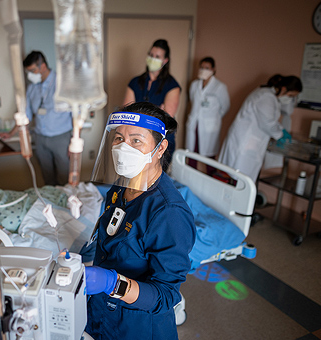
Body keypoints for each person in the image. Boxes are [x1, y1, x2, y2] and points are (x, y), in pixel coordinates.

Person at [84, 102, 196, 339]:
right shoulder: (120, 188)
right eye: (118, 139)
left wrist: (112, 283)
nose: (123, 147)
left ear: (160, 147)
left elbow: (165, 295)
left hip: (138, 327)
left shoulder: (169, 213)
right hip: (103, 315)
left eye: (136, 140)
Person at [0, 51, 73, 186]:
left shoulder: (62, 84)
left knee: (64, 178)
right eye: (28, 72)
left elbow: (76, 115)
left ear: (42, 66)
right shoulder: (32, 88)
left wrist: (73, 141)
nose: (30, 75)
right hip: (40, 138)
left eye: (32, 71)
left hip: (61, 138)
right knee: (47, 177)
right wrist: (10, 133)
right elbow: (25, 115)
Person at [218, 74, 302, 182]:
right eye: (291, 95)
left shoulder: (269, 96)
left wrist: (281, 130)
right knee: (238, 175)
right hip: (244, 141)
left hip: (250, 141)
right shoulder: (266, 97)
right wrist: (280, 134)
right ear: (284, 89)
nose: (290, 99)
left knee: (240, 177)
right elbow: (267, 123)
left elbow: (270, 120)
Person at [123, 39, 181, 168]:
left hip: (160, 143)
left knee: (154, 180)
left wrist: (139, 113)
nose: (152, 59)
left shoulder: (172, 86)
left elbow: (166, 119)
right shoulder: (135, 82)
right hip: (135, 140)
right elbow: (127, 113)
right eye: (151, 55)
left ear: (165, 60)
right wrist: (156, 111)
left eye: (157, 57)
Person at [185, 57, 230, 171]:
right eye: (201, 67)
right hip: (194, 123)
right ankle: (190, 176)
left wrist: (213, 118)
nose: (203, 70)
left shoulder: (220, 87)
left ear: (213, 69)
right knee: (191, 154)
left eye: (207, 68)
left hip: (209, 127)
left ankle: (211, 177)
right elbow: (192, 100)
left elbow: (225, 106)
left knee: (209, 157)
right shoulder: (194, 85)